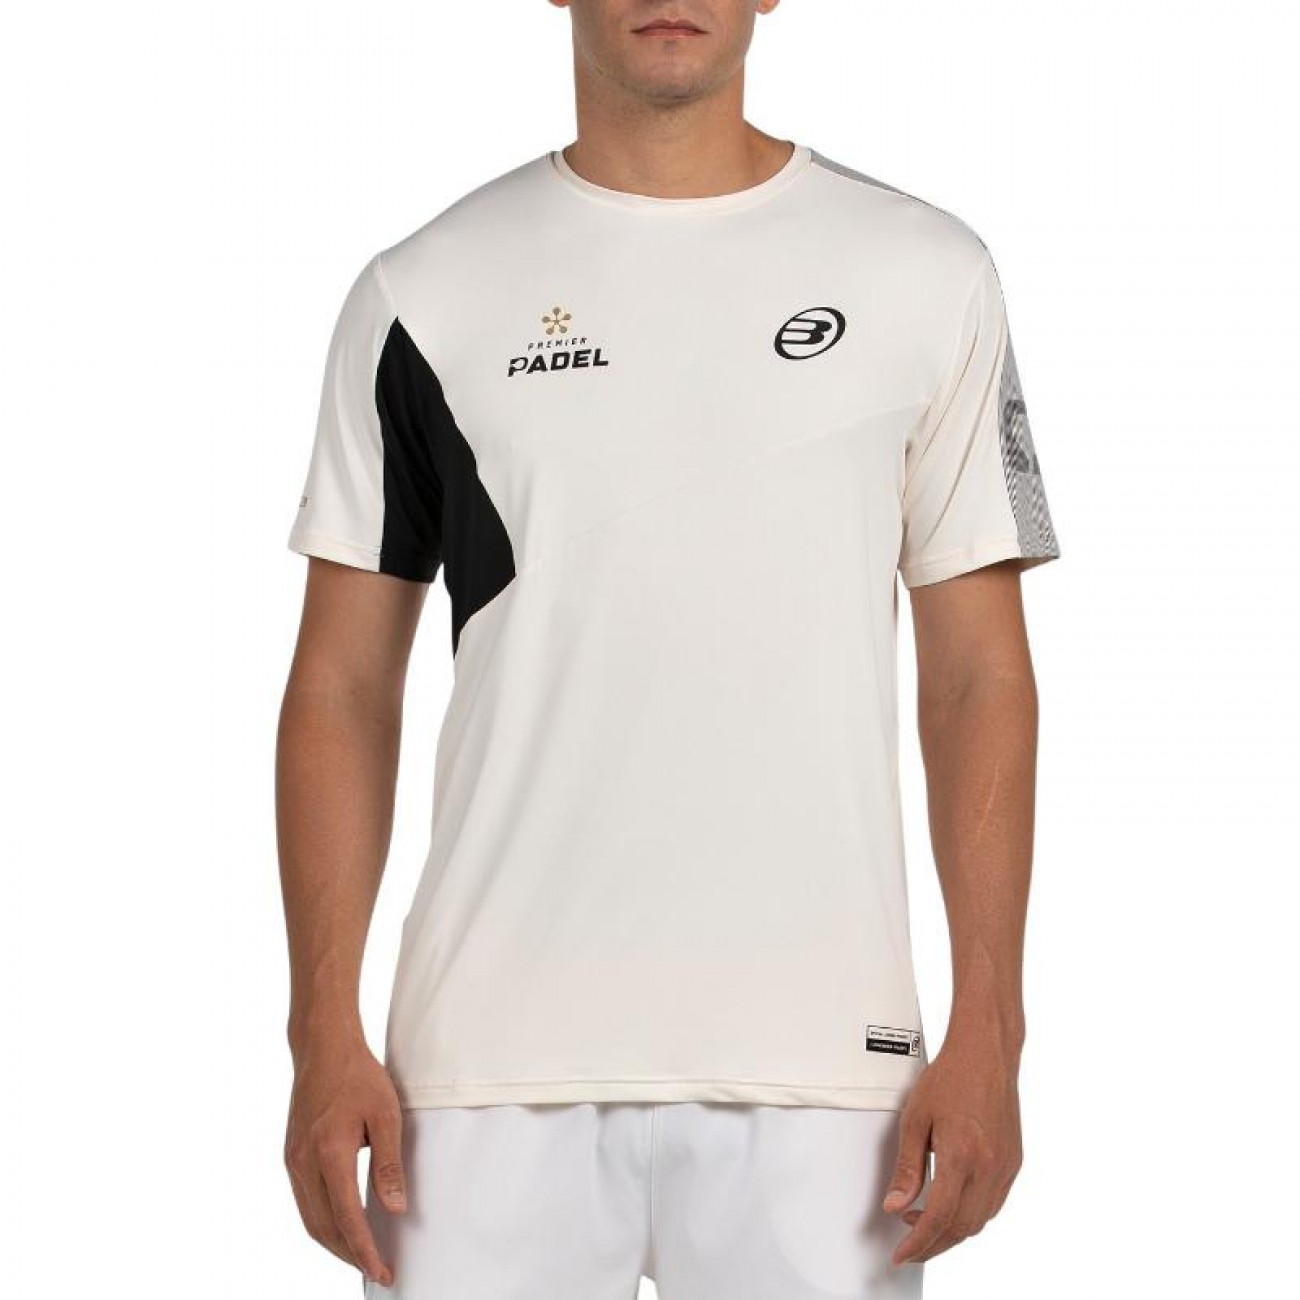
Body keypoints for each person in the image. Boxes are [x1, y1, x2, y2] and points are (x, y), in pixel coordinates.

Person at [276, 2, 1062, 1295]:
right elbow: (342, 685)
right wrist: (320, 1033)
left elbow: (980, 678)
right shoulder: (424, 291)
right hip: (475, 1082)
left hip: (827, 1075)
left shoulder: (924, 273)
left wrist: (993, 1031)